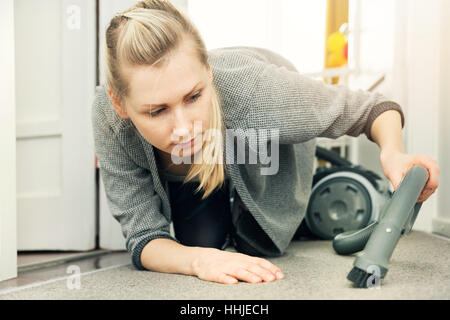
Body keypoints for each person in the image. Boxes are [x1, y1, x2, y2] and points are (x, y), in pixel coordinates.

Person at [92, 0, 440, 285]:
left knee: (263, 240)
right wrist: (199, 260)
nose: (184, 129)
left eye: (194, 96)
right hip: (217, 153)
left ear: (208, 72)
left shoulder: (257, 91)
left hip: (266, 131)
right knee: (201, 243)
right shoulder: (108, 118)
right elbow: (142, 237)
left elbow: (371, 109)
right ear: (119, 102)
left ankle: (305, 182)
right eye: (157, 111)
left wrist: (394, 153)